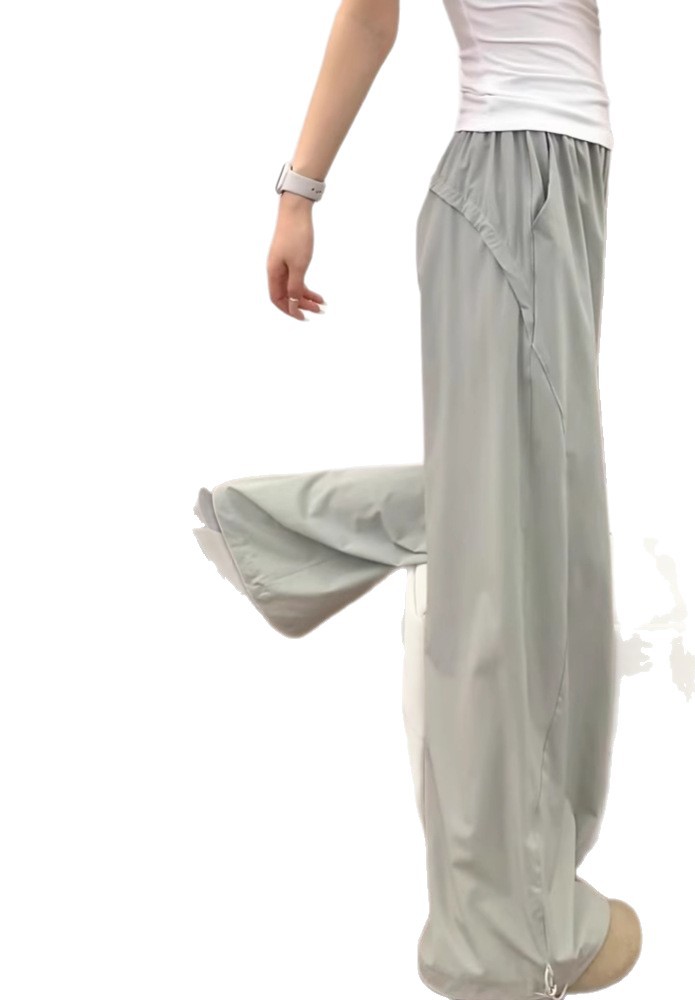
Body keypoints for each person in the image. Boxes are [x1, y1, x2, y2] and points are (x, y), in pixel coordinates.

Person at [192, 1, 642, 997]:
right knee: (502, 563)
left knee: (529, 513)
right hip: (515, 183)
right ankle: (503, 940)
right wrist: (298, 192)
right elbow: (370, 16)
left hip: (557, 179)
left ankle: (271, 533)